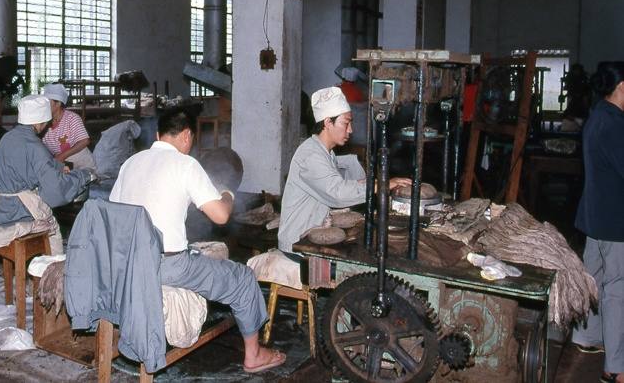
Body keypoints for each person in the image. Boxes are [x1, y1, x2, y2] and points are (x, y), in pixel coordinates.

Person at [109, 108, 286, 374]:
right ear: (187, 135)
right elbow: (222, 216)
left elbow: (115, 212)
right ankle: (255, 355)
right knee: (243, 278)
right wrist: (227, 194)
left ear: (157, 135)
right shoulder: (186, 164)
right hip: (165, 266)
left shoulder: (130, 163)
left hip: (125, 261)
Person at [278, 86, 411, 252]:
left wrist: (369, 182)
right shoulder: (310, 155)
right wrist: (382, 186)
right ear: (328, 122)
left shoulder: (326, 152)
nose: (350, 130)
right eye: (346, 123)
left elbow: (333, 182)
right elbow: (337, 193)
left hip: (312, 234)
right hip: (296, 244)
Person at [0, 95, 90, 255]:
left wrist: (59, 167)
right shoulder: (34, 145)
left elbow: (33, 162)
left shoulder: (8, 137)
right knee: (53, 225)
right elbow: (55, 193)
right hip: (13, 211)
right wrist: (81, 176)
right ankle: (52, 270)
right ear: (43, 121)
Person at [571, 61, 624, 383]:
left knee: (594, 280)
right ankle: (616, 367)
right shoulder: (615, 124)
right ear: (622, 86)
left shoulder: (598, 117)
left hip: (593, 216)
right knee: (617, 289)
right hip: (614, 222)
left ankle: (587, 337)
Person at [41, 83, 97, 174]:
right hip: (62, 164)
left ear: (58, 103)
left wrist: (61, 157)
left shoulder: (71, 118)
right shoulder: (43, 122)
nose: (44, 106)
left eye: (48, 102)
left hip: (82, 163)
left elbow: (84, 141)